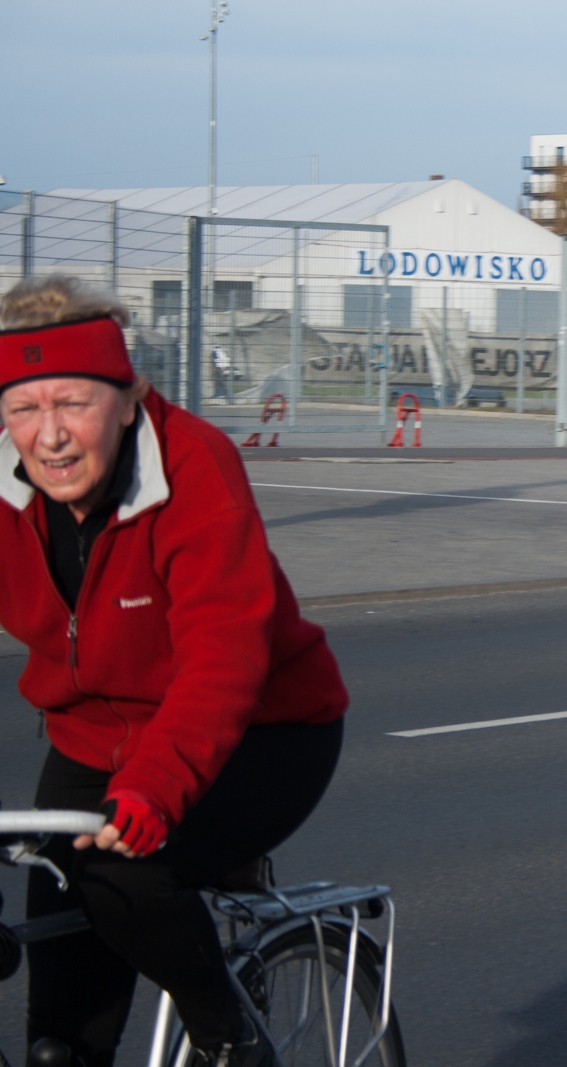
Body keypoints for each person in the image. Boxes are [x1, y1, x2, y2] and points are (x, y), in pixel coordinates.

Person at [0, 277, 348, 1067]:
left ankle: (229, 1036)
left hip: (261, 733)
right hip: (92, 741)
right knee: (59, 1036)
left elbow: (224, 654)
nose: (49, 435)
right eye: (24, 408)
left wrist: (157, 785)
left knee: (115, 875)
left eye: (73, 403)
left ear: (127, 398)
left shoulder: (193, 463)